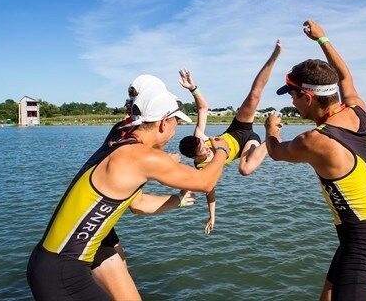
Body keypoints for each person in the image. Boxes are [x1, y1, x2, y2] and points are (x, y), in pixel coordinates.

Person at [26, 78, 230, 301]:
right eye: (176, 124)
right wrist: (221, 150)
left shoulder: (121, 135)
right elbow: (206, 182)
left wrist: (178, 200)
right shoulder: (143, 157)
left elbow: (137, 204)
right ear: (164, 123)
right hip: (62, 273)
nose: (175, 132)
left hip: (57, 260)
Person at [265, 20, 366, 301]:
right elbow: (345, 77)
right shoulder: (359, 112)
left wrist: (270, 130)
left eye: (293, 95)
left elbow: (274, 151)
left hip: (363, 243)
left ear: (308, 97)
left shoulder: (315, 141)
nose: (292, 103)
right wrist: (322, 39)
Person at [90, 75, 194, 301]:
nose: (175, 132)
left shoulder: (121, 132)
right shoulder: (132, 145)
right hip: (91, 236)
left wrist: (163, 163)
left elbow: (134, 197)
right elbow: (137, 204)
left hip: (102, 229)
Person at [178, 40, 282, 234]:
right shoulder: (202, 168)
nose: (206, 147)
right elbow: (210, 192)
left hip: (237, 130)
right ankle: (271, 136)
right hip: (246, 146)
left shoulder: (199, 137)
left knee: (253, 96)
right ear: (194, 157)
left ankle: (274, 56)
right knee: (244, 169)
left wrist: (193, 88)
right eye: (202, 150)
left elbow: (202, 108)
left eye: (203, 144)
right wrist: (212, 216)